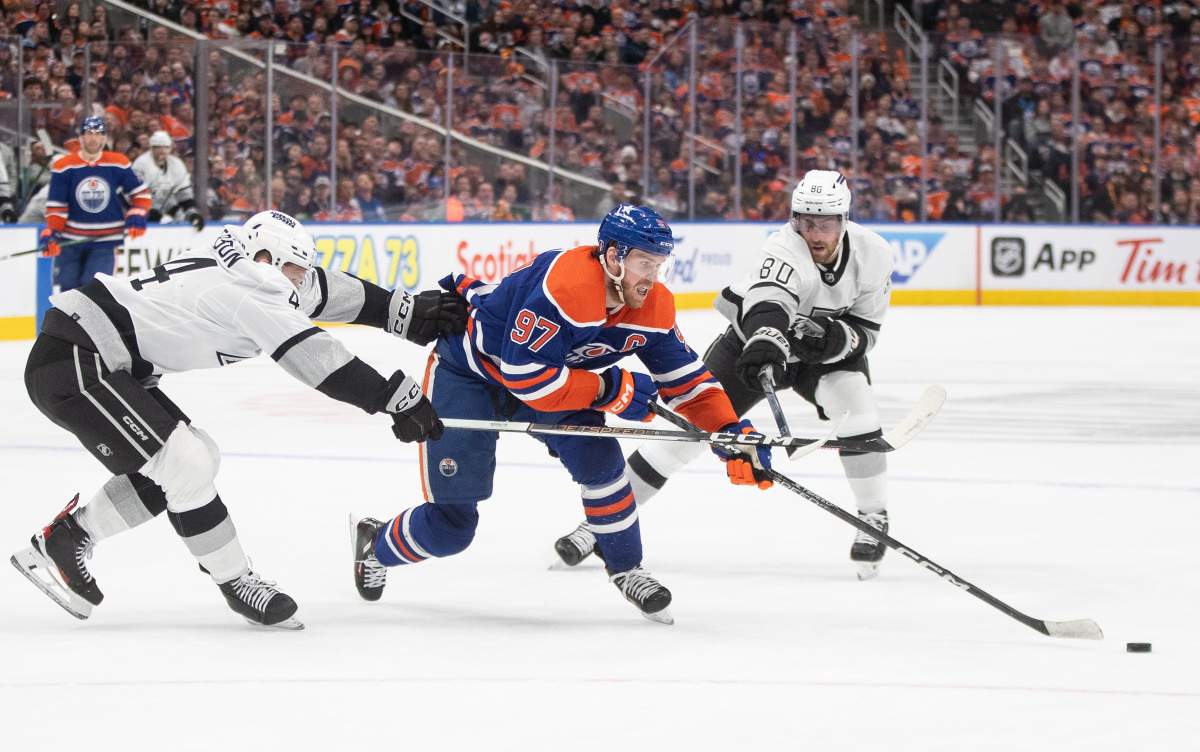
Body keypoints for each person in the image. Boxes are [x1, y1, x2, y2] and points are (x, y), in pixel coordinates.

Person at [11, 210, 468, 630]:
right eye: (294, 270)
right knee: (184, 463)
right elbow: (319, 361)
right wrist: (396, 399)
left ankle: (66, 541)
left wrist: (402, 314)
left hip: (91, 356)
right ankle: (236, 581)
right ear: (266, 257)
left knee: (194, 460)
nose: (299, 282)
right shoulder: (249, 292)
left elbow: (322, 289)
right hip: (76, 362)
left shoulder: (247, 261)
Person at [350, 205, 774, 624]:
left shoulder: (653, 306)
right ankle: (375, 543)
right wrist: (612, 389)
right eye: (646, 263)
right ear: (613, 257)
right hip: (471, 376)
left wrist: (729, 430)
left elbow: (688, 383)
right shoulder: (568, 287)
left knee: (601, 461)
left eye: (660, 263)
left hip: (551, 380)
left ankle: (626, 568)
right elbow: (526, 377)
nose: (654, 277)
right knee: (453, 526)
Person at [553, 171, 897, 580]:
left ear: (844, 220)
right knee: (684, 435)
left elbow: (867, 331)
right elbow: (771, 298)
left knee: (859, 411)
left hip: (822, 353)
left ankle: (872, 517)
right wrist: (769, 339)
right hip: (752, 345)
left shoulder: (873, 253)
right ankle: (600, 525)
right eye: (805, 221)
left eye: (824, 223)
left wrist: (834, 340)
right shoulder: (784, 247)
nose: (813, 233)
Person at [41, 116, 152, 291]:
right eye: (89, 133)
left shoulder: (118, 162)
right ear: (81, 137)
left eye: (98, 133)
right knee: (68, 290)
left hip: (105, 240)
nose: (93, 138)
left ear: (104, 138)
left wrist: (137, 215)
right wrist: (52, 232)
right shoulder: (64, 166)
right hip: (70, 240)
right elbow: (56, 206)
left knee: (92, 289)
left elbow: (141, 195)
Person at [132, 129, 204, 230]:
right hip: (142, 212)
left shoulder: (177, 164)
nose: (162, 150)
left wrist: (193, 214)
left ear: (170, 148)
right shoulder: (140, 164)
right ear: (151, 148)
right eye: (158, 147)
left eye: (165, 147)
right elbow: (134, 195)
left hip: (169, 210)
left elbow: (184, 195)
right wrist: (148, 211)